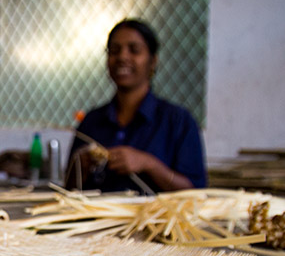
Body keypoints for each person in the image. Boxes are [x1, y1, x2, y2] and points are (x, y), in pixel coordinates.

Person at [65, 19, 207, 194]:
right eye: (115, 51)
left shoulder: (178, 122)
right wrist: (80, 165)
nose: (123, 57)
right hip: (99, 221)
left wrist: (148, 164)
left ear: (152, 61)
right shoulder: (92, 122)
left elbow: (196, 193)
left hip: (156, 221)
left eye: (134, 50)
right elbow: (68, 191)